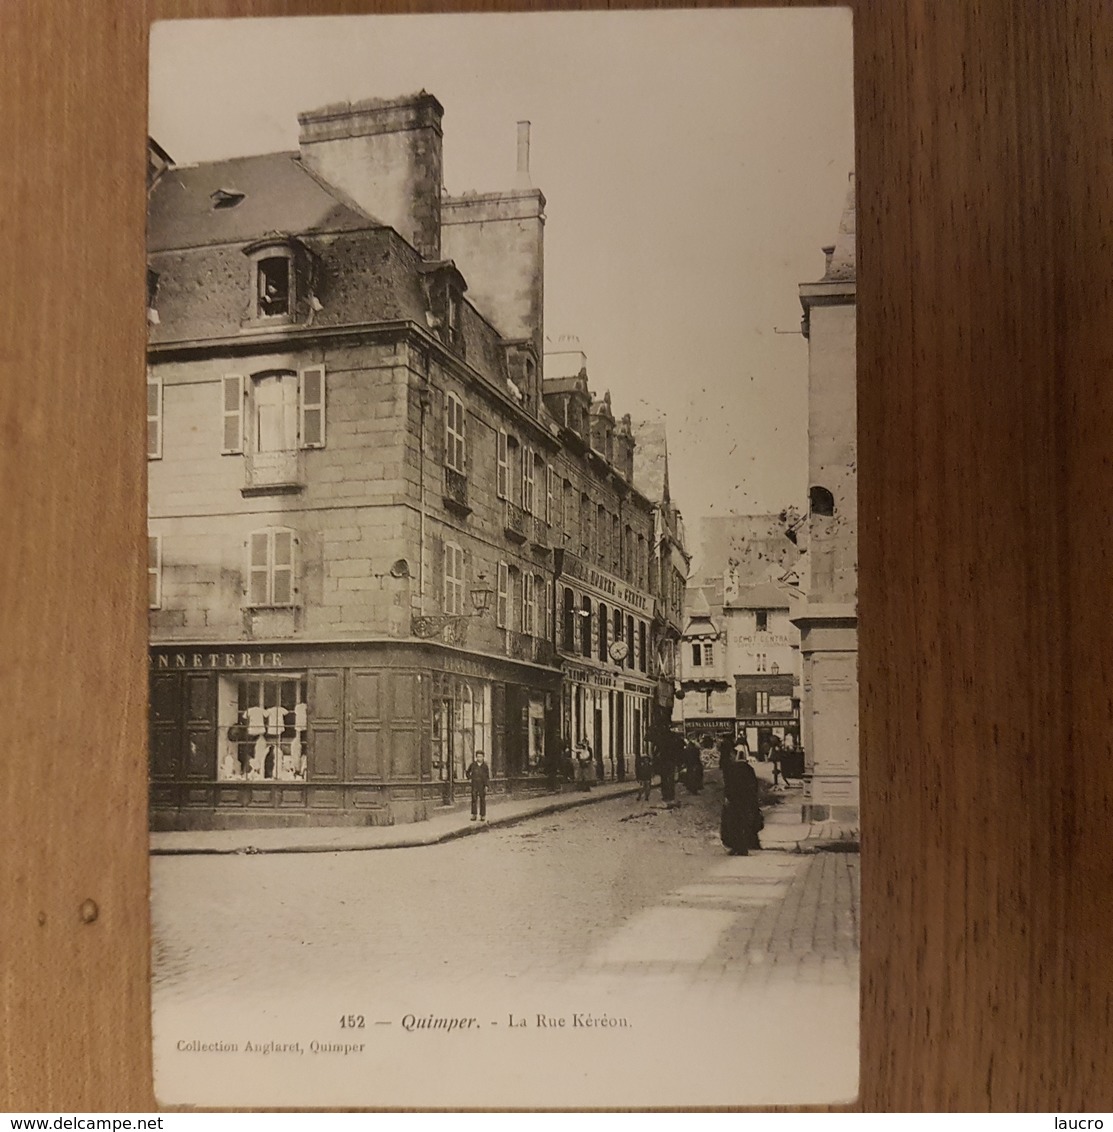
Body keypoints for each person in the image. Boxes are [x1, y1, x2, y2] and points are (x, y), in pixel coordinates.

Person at [720, 748, 763, 855]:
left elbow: (728, 786)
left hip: (735, 800)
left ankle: (737, 847)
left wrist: (727, 798)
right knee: (744, 823)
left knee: (734, 824)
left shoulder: (732, 768)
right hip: (747, 800)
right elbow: (754, 786)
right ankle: (745, 846)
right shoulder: (749, 769)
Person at [466, 750, 490, 821]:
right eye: (478, 756)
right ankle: (474, 815)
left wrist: (486, 785)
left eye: (480, 756)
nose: (479, 758)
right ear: (476, 757)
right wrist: (469, 778)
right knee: (474, 799)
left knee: (482, 799)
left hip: (482, 785)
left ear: (483, 757)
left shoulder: (485, 766)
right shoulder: (473, 765)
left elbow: (487, 776)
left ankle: (482, 815)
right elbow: (467, 772)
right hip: (474, 784)